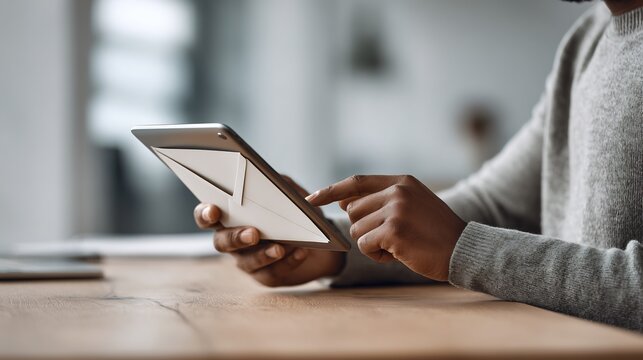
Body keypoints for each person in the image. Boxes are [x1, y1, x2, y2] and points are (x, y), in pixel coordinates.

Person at [194, 0, 642, 332]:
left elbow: (462, 237)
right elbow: (495, 204)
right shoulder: (590, 36)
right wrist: (332, 247)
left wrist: (462, 249)